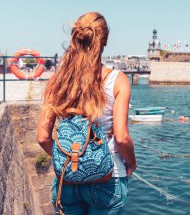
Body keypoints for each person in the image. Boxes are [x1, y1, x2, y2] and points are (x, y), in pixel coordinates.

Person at [37, 12, 137, 214]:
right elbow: (122, 137)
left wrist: (69, 160)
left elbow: (42, 136)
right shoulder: (117, 80)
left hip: (67, 180)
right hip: (107, 178)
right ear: (105, 40)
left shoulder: (58, 81)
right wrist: (132, 163)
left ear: (75, 38)